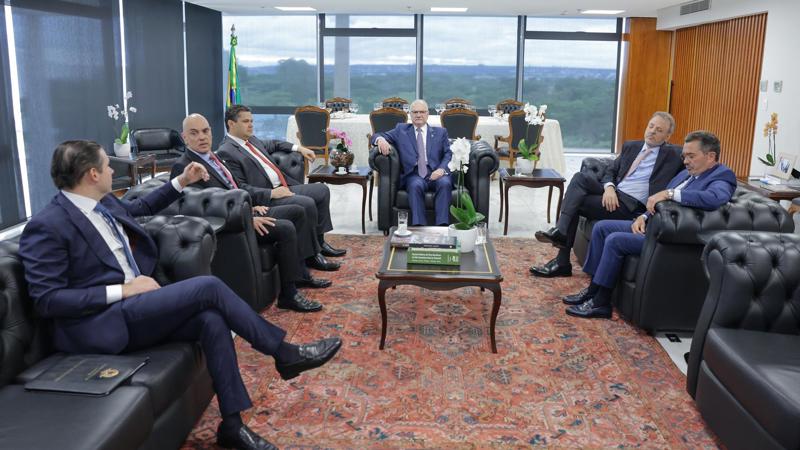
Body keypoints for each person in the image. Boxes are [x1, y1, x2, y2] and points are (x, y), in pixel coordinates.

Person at [19, 140, 342, 450]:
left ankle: (232, 425)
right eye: (106, 166)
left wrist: (182, 181)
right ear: (91, 174)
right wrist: (124, 289)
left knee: (210, 320)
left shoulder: (103, 203)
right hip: (98, 324)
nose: (109, 171)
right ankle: (284, 353)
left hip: (134, 308)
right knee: (208, 286)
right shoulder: (48, 225)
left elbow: (141, 206)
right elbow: (48, 300)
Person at [563, 131, 737, 319]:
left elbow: (715, 198)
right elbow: (657, 201)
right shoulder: (686, 174)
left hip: (666, 235)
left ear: (710, 156)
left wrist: (670, 194)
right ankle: (592, 290)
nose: (685, 161)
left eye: (691, 156)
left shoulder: (722, 176)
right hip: (651, 224)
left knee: (615, 240)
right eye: (684, 156)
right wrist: (643, 217)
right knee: (602, 227)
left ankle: (600, 303)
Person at [172, 114, 331, 310]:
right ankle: (288, 295)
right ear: (184, 137)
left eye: (205, 131)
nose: (202, 137)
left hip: (246, 211)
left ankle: (300, 274)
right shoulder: (184, 166)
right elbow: (195, 210)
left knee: (297, 212)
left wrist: (251, 208)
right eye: (194, 133)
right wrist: (247, 218)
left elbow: (233, 189)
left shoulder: (213, 157)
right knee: (286, 228)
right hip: (232, 225)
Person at [530, 111, 684, 278]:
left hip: (630, 206)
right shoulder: (632, 146)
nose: (652, 131)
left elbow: (695, 162)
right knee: (580, 178)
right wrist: (609, 188)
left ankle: (561, 254)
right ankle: (561, 236)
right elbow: (611, 169)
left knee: (577, 202)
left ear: (668, 136)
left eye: (659, 130)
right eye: (651, 126)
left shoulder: (674, 155)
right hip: (615, 193)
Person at [217, 105, 345, 272]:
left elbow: (274, 143)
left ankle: (319, 244)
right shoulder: (226, 151)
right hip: (269, 197)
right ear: (231, 124)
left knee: (321, 190)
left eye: (252, 121)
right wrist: (271, 193)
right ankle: (311, 256)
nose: (251, 125)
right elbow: (240, 188)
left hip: (284, 186)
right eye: (246, 121)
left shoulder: (251, 140)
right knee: (306, 203)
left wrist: (299, 148)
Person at [372, 99, 453, 226]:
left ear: (427, 114)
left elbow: (448, 153)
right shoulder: (401, 130)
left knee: (445, 183)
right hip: (414, 174)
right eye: (415, 112)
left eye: (422, 112)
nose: (418, 115)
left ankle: (442, 226)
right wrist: (381, 140)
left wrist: (441, 169)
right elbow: (377, 135)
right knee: (415, 186)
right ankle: (419, 227)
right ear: (410, 114)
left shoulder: (440, 132)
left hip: (436, 171)